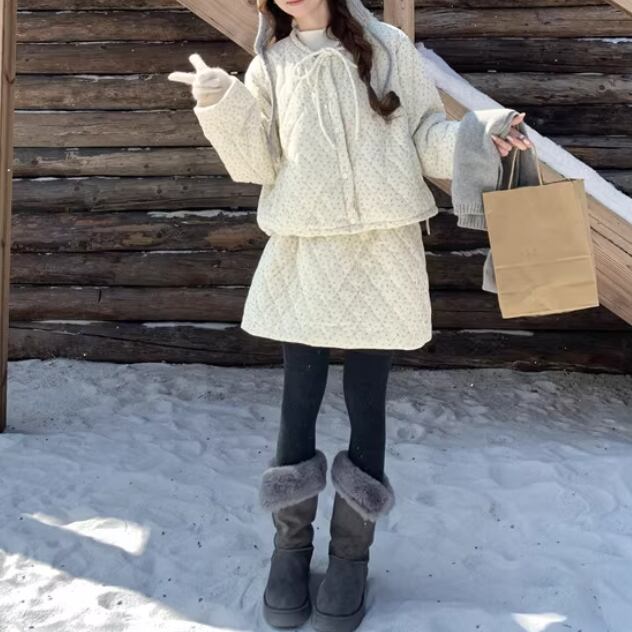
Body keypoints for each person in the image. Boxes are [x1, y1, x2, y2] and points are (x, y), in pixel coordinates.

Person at [169, 1, 531, 629]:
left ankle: (351, 557)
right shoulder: (270, 62)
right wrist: (220, 101)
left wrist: (479, 135)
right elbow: (257, 163)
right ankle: (290, 550)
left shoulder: (388, 45)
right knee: (298, 398)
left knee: (368, 400)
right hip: (306, 249)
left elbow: (425, 134)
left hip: (382, 249)